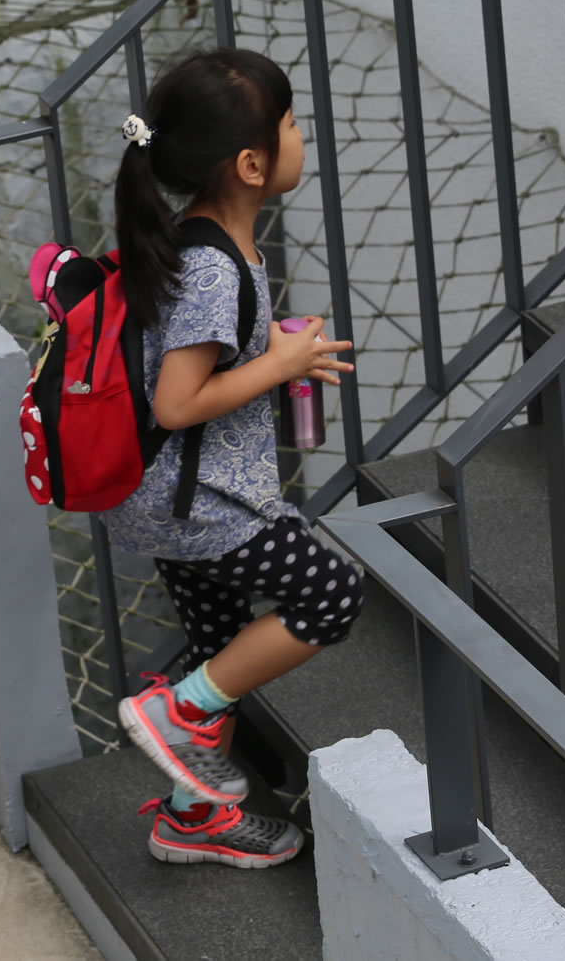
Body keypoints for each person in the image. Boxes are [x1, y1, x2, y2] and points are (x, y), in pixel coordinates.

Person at [104, 49, 361, 867]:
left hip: (172, 496)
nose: (299, 134)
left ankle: (191, 817)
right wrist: (279, 365)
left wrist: (271, 354)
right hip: (201, 503)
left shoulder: (205, 243)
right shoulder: (213, 267)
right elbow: (176, 403)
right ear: (251, 164)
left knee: (220, 646)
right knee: (330, 594)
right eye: (288, 122)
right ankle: (176, 712)